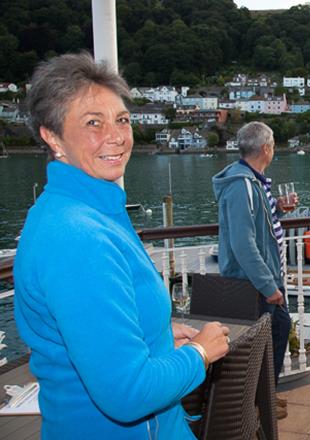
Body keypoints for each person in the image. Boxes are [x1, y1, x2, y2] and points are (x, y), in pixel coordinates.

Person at [13, 52, 231, 439]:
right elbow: (127, 394)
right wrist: (200, 353)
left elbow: (102, 323)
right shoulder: (76, 236)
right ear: (52, 135)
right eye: (93, 123)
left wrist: (159, 333)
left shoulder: (92, 209)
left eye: (122, 120)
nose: (116, 137)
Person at [212, 121, 293, 419]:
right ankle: (258, 405)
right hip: (253, 283)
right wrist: (268, 286)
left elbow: (256, 222)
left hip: (265, 278)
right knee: (266, 339)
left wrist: (279, 209)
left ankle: (265, 398)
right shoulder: (241, 184)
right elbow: (243, 243)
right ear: (266, 149)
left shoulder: (253, 181)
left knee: (276, 332)